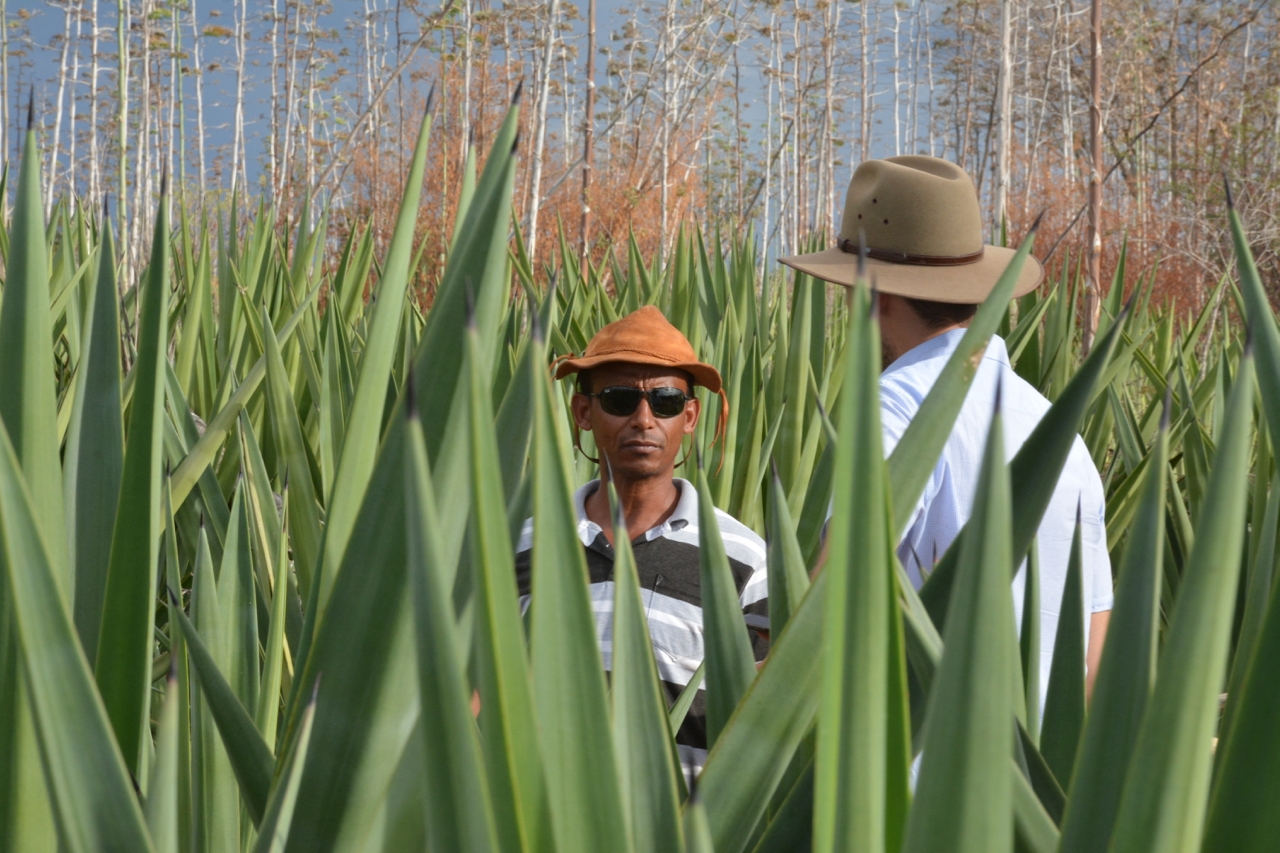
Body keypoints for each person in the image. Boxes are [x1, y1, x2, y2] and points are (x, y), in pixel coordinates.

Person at [782, 155, 1111, 704]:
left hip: (914, 779)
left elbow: (832, 610)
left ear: (872, 294)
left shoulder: (895, 408)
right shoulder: (1063, 438)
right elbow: (1096, 658)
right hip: (1045, 784)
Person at [515, 306, 768, 780]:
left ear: (690, 416)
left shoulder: (744, 562)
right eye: (619, 399)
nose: (645, 419)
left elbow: (770, 709)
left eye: (667, 401)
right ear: (582, 411)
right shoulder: (524, 547)